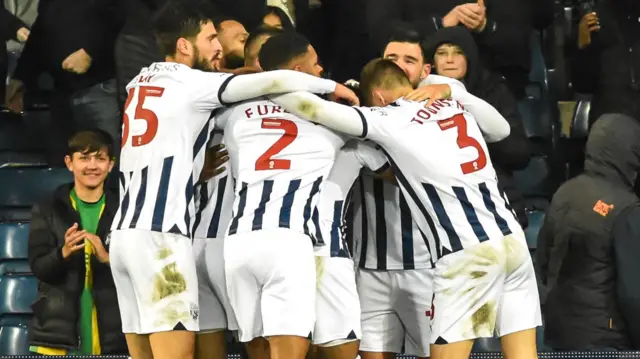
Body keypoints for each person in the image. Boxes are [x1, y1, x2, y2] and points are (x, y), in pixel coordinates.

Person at [107, 1, 358, 359]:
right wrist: (332, 86)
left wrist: (195, 167)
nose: (218, 48)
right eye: (210, 38)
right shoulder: (193, 83)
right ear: (183, 44)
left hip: (124, 237)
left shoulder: (139, 81)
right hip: (163, 238)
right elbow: (274, 79)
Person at [269, 58, 541, 359]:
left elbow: (313, 109)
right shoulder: (452, 104)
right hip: (513, 241)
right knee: (524, 354)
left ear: (378, 98)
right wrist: (453, 92)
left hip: (467, 252)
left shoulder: (386, 118)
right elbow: (501, 130)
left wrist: (267, 85)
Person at [214, 31, 349, 359]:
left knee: (257, 350)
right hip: (288, 243)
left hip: (237, 244)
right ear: (299, 72)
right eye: (315, 65)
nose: (321, 71)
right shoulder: (330, 120)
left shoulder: (234, 115)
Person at [349, 26, 435, 359]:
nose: (399, 65)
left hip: (424, 266)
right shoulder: (355, 115)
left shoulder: (438, 116)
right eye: (391, 58)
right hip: (370, 269)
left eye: (409, 60)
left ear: (424, 72)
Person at [536, 114, 640, 350]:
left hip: (559, 335)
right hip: (607, 342)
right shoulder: (626, 208)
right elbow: (634, 294)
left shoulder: (565, 191)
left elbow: (542, 263)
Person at [27, 130, 127, 356]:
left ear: (111, 165)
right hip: (56, 337)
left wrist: (108, 259)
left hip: (114, 335)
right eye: (84, 158)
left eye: (100, 158)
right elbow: (39, 267)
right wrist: (63, 253)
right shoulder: (48, 208)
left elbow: (142, 268)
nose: (92, 166)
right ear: (69, 163)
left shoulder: (125, 209)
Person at [424, 26, 531, 228]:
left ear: (470, 59)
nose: (449, 59)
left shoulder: (494, 91)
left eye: (458, 53)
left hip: (497, 198)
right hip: (445, 206)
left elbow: (520, 154)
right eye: (442, 53)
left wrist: (475, 134)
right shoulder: (419, 97)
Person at [314, 139, 390, 359]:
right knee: (341, 341)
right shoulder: (352, 144)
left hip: (277, 245)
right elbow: (405, 175)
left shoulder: (261, 133)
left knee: (285, 338)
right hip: (327, 252)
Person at [192, 131, 237, 359]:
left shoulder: (198, 125)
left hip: (193, 244)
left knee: (209, 333)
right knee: (261, 339)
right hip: (235, 245)